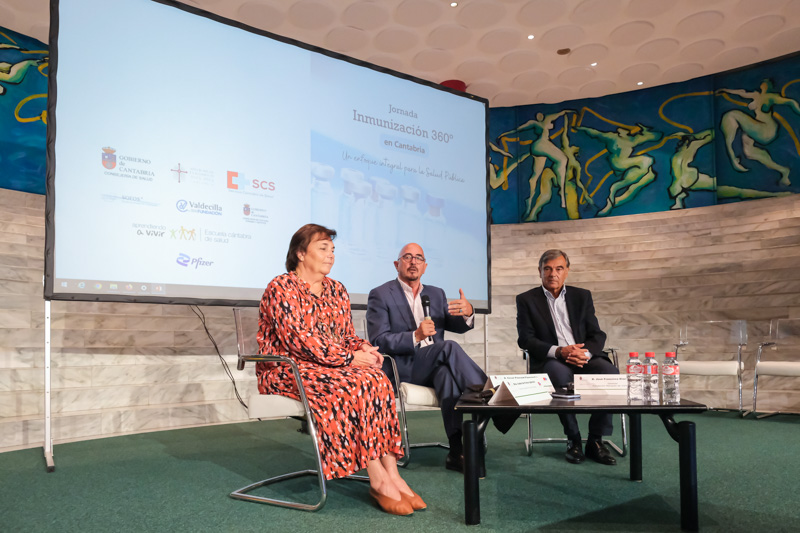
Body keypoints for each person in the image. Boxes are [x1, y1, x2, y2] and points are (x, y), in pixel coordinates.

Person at [256, 224, 423, 516]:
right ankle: (377, 478)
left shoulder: (336, 289)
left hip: (328, 364)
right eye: (323, 248)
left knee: (376, 379)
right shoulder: (281, 287)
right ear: (299, 253)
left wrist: (364, 349)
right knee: (352, 384)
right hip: (288, 368)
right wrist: (348, 359)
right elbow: (300, 342)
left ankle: (393, 473)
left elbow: (345, 335)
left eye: (332, 249)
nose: (330, 255)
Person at [367, 243, 504, 473]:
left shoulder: (436, 293)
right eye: (407, 257)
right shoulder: (380, 294)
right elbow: (379, 340)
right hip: (403, 365)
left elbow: (456, 325)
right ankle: (494, 401)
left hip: (435, 364)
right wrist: (416, 335)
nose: (413, 262)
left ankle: (456, 450)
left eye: (419, 258)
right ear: (396, 264)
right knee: (447, 347)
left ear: (425, 266)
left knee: (446, 376)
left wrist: (469, 311)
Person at [515, 249, 619, 466]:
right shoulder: (526, 299)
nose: (553, 273)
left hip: (583, 357)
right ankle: (573, 439)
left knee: (610, 373)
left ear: (567, 271)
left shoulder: (582, 296)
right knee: (557, 373)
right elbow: (525, 339)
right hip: (553, 359)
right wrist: (559, 351)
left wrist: (586, 352)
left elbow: (597, 334)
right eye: (548, 269)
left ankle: (595, 440)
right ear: (540, 272)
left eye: (559, 268)